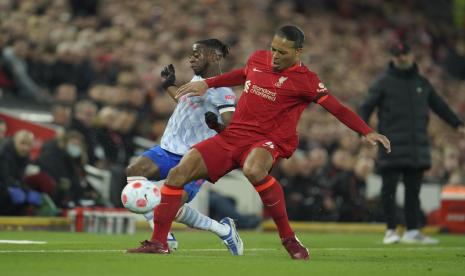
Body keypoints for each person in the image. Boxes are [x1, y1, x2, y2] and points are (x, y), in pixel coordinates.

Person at [128, 25, 391, 260]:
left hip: (269, 140)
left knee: (254, 169)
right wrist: (207, 84)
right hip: (233, 136)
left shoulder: (307, 81)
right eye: (273, 49)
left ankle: (288, 238)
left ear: (298, 52)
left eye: (282, 52)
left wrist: (366, 131)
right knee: (177, 174)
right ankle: (159, 242)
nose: (275, 56)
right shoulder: (259, 59)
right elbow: (242, 75)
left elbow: (337, 108)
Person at [126, 39, 242, 254]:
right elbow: (185, 102)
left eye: (198, 54)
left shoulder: (222, 91)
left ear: (215, 57)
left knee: (171, 205)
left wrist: (216, 126)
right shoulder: (197, 79)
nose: (191, 58)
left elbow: (231, 127)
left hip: (194, 158)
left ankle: (223, 230)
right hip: (168, 148)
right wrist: (169, 85)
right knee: (134, 173)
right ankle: (163, 235)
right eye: (192, 54)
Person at [358, 42, 465, 245]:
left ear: (411, 55)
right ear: (393, 58)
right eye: (397, 55)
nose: (401, 58)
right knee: (389, 189)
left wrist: (457, 124)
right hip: (390, 143)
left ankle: (413, 230)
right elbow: (366, 106)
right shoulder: (383, 82)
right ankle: (391, 229)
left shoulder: (422, 83)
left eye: (404, 54)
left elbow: (439, 105)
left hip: (417, 145)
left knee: (413, 190)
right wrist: (362, 130)